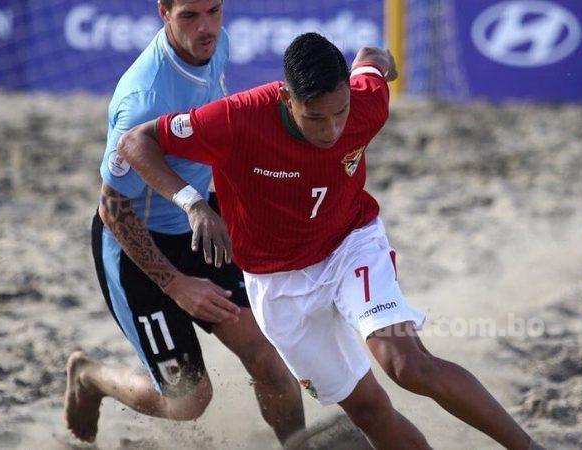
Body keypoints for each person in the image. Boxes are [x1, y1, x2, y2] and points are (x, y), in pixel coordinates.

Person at [116, 32, 545, 450]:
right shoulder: (237, 118)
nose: (331, 130)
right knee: (369, 411)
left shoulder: (367, 102)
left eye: (340, 113)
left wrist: (377, 59)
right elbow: (136, 141)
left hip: (349, 245)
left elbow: (371, 60)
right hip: (276, 283)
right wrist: (193, 204)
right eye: (315, 118)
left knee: (407, 365)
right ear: (286, 98)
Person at [63, 0, 304, 444]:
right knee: (190, 400)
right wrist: (177, 285)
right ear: (163, 12)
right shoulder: (145, 98)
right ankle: (90, 375)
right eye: (190, 15)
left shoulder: (216, 44)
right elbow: (112, 207)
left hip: (198, 230)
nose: (206, 27)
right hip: (136, 249)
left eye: (213, 10)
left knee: (268, 357)